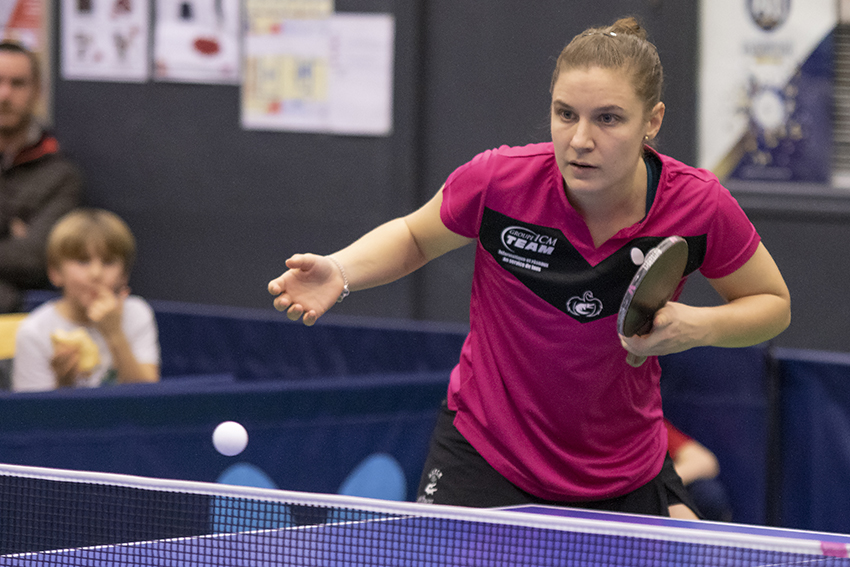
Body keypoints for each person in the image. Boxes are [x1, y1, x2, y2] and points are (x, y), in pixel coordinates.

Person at [267, 17, 790, 519]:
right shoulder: (500, 182)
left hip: (621, 470)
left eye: (608, 118)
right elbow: (414, 236)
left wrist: (700, 326)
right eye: (566, 114)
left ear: (651, 121)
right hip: (486, 458)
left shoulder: (697, 206)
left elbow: (772, 305)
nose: (580, 139)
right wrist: (341, 270)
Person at [11, 208, 160, 391]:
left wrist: (115, 334)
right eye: (83, 261)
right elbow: (31, 408)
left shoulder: (136, 314)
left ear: (124, 275)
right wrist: (63, 383)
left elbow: (148, 398)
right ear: (55, 272)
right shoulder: (34, 332)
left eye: (108, 262)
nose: (96, 273)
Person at [0, 41, 83, 313]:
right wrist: (11, 232)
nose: (5, 94)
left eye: (18, 83)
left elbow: (35, 259)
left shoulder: (60, 175)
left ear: (37, 91)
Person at [665, 419, 733, 522]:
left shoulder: (653, 427)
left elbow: (706, 461)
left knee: (708, 494)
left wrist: (661, 483)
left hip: (662, 493)